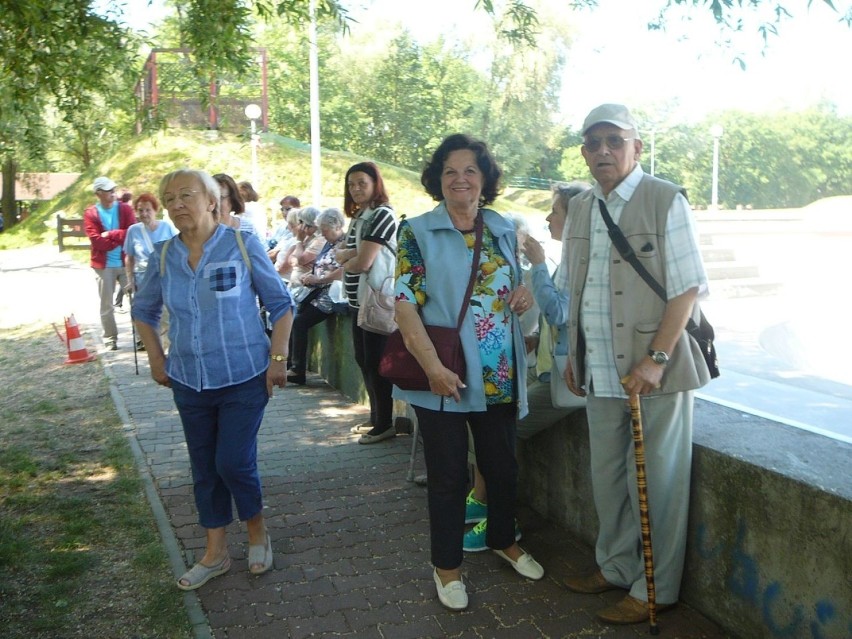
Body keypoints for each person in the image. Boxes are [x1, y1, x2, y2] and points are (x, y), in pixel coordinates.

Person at [557, 104, 711, 625]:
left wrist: (657, 359)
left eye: (614, 141)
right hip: (598, 369)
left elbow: (687, 288)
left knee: (659, 483)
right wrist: (570, 353)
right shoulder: (580, 208)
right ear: (583, 151)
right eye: (593, 142)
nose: (603, 150)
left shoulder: (665, 199)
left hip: (653, 373)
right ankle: (617, 566)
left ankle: (654, 589)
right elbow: (571, 289)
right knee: (608, 477)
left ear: (636, 148)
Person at [393, 133, 544, 611]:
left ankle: (502, 537)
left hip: (499, 370)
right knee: (447, 477)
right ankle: (447, 567)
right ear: (438, 181)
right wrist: (432, 367)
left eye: (470, 171)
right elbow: (404, 306)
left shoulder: (501, 227)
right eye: (450, 171)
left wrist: (525, 296)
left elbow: (512, 289)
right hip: (445, 375)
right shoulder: (417, 231)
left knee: (501, 466)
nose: (460, 179)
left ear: (485, 180)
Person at [131, 169, 294, 591]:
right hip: (188, 379)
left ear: (211, 200)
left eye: (187, 194)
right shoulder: (165, 255)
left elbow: (280, 304)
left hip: (244, 374)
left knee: (233, 461)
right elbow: (143, 311)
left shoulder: (241, 243)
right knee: (204, 467)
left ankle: (257, 531)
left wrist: (278, 358)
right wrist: (156, 357)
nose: (177, 203)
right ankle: (215, 553)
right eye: (170, 198)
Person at [463, 183, 591, 552]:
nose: (548, 218)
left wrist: (536, 266)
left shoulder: (570, 261)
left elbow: (560, 312)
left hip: (567, 380)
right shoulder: (569, 258)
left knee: (503, 430)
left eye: (555, 212)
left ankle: (501, 519)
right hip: (547, 368)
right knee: (490, 422)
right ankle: (483, 500)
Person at [335, 162, 398, 444]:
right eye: (351, 185)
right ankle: (376, 417)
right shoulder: (361, 215)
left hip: (375, 302)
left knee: (376, 363)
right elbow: (353, 252)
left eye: (362, 183)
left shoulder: (382, 215)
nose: (356, 189)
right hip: (358, 302)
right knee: (364, 361)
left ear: (375, 184)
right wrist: (349, 255)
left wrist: (345, 257)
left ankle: (385, 422)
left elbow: (363, 261)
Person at [286, 207, 346, 385]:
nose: (323, 234)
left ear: (336, 227)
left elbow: (343, 270)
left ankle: (298, 369)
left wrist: (319, 279)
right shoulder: (329, 242)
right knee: (293, 316)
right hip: (317, 291)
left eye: (325, 230)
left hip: (332, 294)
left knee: (300, 321)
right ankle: (291, 364)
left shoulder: (346, 242)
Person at [83, 176, 137, 350]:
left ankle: (142, 337)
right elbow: (96, 240)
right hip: (103, 265)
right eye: (108, 191)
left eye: (114, 189)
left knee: (137, 301)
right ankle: (110, 338)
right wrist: (117, 239)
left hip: (126, 261)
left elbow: (131, 232)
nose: (113, 193)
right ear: (98, 193)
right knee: (106, 304)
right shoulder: (91, 213)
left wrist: (111, 234)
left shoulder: (125, 209)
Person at [123, 192, 178, 350]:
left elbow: (177, 250)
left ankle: (169, 352)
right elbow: (130, 258)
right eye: (141, 210)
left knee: (167, 316)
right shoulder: (133, 230)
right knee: (148, 317)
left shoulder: (167, 227)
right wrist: (130, 280)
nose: (144, 214)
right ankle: (156, 352)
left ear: (155, 210)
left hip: (166, 277)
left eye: (148, 210)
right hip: (143, 280)